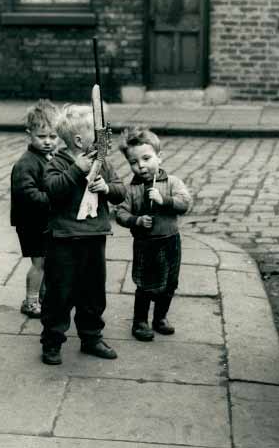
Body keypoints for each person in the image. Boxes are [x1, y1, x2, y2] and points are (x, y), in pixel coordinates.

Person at [39, 104, 126, 365]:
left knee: (93, 291)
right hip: (64, 239)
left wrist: (107, 188)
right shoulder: (58, 163)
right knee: (60, 292)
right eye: (97, 133)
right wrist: (77, 169)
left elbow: (121, 191)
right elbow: (53, 190)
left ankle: (91, 336)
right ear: (79, 140)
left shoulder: (103, 163)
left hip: (94, 237)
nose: (103, 137)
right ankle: (52, 340)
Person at [116, 127, 192, 341]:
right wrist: (136, 220)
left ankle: (160, 317)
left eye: (147, 158)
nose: (141, 166)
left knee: (170, 282)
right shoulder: (130, 190)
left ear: (159, 156)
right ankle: (140, 321)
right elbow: (120, 212)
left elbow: (185, 203)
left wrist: (164, 200)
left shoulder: (172, 182)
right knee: (145, 284)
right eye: (133, 162)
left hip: (170, 241)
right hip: (145, 243)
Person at [10, 99, 60, 318]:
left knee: (47, 260)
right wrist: (54, 199)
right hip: (31, 222)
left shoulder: (48, 157)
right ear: (28, 134)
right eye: (42, 137)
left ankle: (43, 296)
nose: (48, 142)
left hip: (44, 221)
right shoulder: (26, 163)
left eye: (53, 136)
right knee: (39, 262)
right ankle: (31, 301)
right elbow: (28, 195)